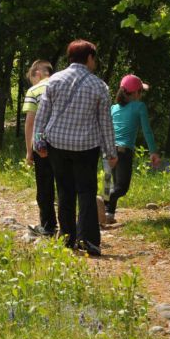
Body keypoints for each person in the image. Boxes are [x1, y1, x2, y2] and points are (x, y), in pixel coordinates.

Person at [33, 40, 117, 256]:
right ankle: (88, 240)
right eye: (94, 58)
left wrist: (38, 143)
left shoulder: (54, 81)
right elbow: (105, 122)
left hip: (57, 145)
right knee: (86, 191)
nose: (95, 62)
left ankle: (68, 237)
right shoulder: (99, 86)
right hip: (86, 147)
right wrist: (110, 152)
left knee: (64, 190)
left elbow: (42, 114)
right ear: (89, 57)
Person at [103, 74, 161, 223]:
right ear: (135, 93)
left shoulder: (113, 108)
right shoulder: (139, 106)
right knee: (121, 188)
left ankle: (108, 215)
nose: (141, 95)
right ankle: (102, 203)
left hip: (107, 149)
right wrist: (153, 151)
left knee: (110, 184)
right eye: (141, 92)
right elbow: (147, 130)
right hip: (123, 151)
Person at [22, 60, 57, 236]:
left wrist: (30, 151)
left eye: (32, 78)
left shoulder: (34, 91)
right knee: (66, 186)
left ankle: (48, 226)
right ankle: (70, 228)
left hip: (42, 144)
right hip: (66, 143)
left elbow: (30, 122)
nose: (32, 82)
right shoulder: (63, 86)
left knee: (45, 187)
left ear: (37, 73)